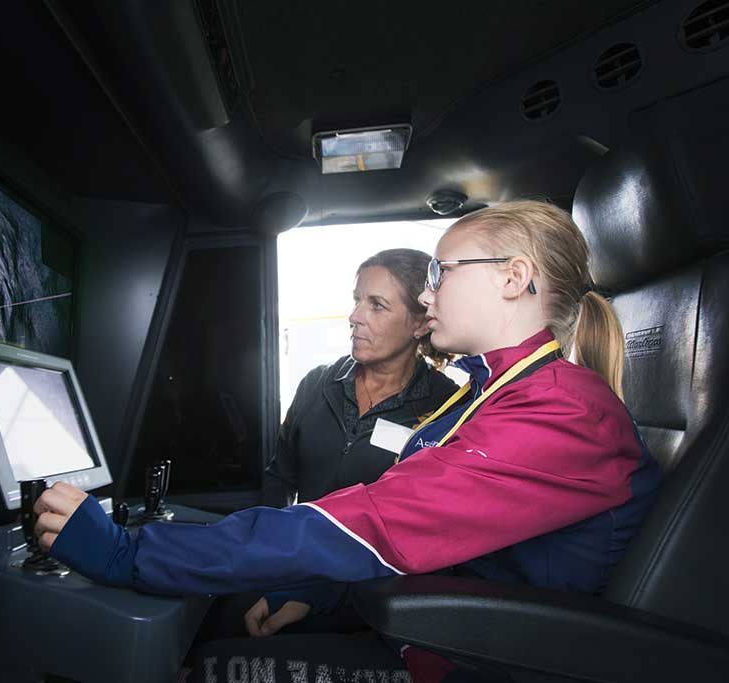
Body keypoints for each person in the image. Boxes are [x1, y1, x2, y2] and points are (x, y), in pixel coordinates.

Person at [32, 201, 661, 681]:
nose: (427, 292)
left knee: (199, 665)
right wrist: (315, 587)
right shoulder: (495, 391)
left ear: (514, 278)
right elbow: (426, 532)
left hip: (464, 657)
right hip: (426, 622)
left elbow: (377, 521)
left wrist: (129, 553)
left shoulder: (560, 410)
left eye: (441, 272)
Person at [264, 248, 458, 508]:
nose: (354, 317)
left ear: (421, 324)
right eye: (357, 301)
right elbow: (279, 480)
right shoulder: (316, 384)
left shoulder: (447, 406)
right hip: (303, 544)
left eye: (377, 305)